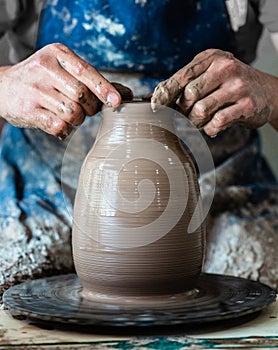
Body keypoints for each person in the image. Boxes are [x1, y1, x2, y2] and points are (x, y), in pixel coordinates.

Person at [0, 0, 277, 295]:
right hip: (40, 183)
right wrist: (5, 86)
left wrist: (271, 94)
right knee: (13, 275)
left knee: (256, 272)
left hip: (221, 181)